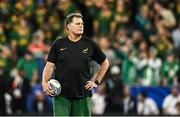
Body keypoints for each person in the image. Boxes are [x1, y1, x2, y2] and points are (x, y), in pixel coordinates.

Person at [42, 13, 109, 116]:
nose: (81, 25)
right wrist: (44, 82)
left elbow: (105, 63)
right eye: (77, 23)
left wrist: (96, 81)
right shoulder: (58, 44)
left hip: (83, 94)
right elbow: (49, 66)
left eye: (82, 23)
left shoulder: (89, 44)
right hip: (61, 96)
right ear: (69, 26)